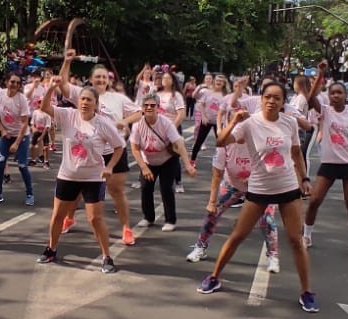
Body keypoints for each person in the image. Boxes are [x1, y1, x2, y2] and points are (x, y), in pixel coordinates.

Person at [199, 82, 319, 313]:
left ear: (284, 102)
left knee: (296, 240)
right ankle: (214, 277)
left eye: (277, 98)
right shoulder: (250, 124)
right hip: (259, 189)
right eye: (267, 97)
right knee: (237, 235)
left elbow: (295, 153)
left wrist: (304, 178)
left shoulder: (290, 122)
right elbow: (221, 141)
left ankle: (306, 292)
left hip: (287, 187)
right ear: (261, 99)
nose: (271, 101)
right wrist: (235, 120)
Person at [36, 75, 124, 274]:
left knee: (95, 219)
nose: (84, 103)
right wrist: (51, 87)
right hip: (67, 175)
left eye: (89, 100)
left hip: (93, 177)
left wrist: (109, 167)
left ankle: (107, 257)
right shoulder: (68, 115)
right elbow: (44, 108)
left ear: (96, 104)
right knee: (57, 215)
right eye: (82, 99)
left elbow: (119, 147)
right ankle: (51, 249)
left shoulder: (103, 124)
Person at [59, 46, 140, 245]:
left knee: (116, 190)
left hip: (113, 150)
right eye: (98, 77)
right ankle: (69, 218)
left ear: (109, 80)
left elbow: (139, 112)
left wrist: (125, 121)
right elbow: (62, 85)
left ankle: (126, 228)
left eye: (104, 77)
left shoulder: (118, 99)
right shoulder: (82, 93)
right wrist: (67, 61)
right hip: (88, 150)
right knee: (77, 190)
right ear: (91, 79)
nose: (101, 80)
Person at [183, 109, 281, 274]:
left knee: (267, 219)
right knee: (212, 212)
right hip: (232, 184)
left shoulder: (261, 141)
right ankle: (200, 247)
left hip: (260, 187)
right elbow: (217, 174)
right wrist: (212, 201)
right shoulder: (225, 143)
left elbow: (274, 166)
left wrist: (254, 178)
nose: (240, 129)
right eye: (236, 124)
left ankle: (273, 256)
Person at [302, 82, 348, 258]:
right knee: (314, 200)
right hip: (329, 164)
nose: (335, 96)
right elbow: (310, 98)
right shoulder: (325, 111)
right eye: (332, 92)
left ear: (345, 95)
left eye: (339, 92)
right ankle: (306, 236)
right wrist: (319, 76)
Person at [131, 94, 195, 230]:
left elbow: (179, 144)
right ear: (142, 108)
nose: (149, 108)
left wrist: (188, 165)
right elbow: (135, 149)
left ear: (158, 108)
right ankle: (148, 217)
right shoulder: (137, 126)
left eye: (152, 105)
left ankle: (170, 220)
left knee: (166, 188)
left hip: (167, 160)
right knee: (145, 188)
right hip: (148, 161)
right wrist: (144, 167)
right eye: (146, 105)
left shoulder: (166, 123)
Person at [0, 73, 35, 205]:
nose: (14, 85)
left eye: (17, 82)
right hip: (6, 135)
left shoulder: (21, 99)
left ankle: (29, 194)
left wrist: (16, 143)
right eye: (12, 82)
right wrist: (2, 130)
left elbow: (24, 123)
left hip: (21, 135)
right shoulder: (0, 94)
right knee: (0, 162)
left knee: (22, 165)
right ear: (6, 82)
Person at [191, 74, 225, 161]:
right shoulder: (207, 92)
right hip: (207, 120)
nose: (218, 82)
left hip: (219, 122)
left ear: (224, 83)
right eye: (217, 80)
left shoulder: (225, 95)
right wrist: (204, 117)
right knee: (199, 141)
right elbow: (201, 104)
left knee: (221, 142)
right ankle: (192, 160)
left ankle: (223, 162)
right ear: (214, 81)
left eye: (221, 81)